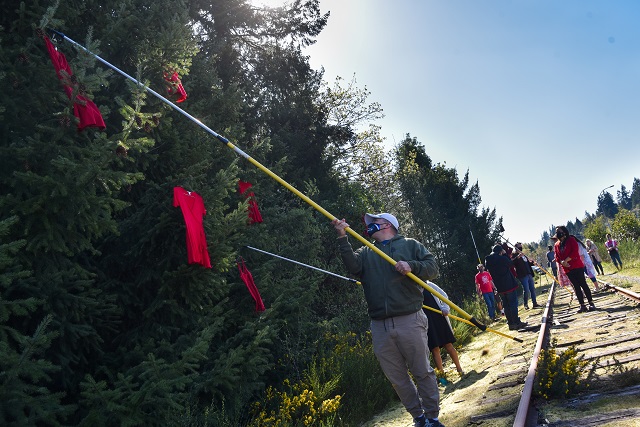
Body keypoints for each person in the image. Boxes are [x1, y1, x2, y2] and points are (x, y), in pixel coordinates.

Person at [332, 213, 445, 427]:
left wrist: (412, 266)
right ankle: (418, 418)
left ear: (387, 225)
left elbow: (433, 268)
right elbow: (353, 268)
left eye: (373, 223)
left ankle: (433, 417)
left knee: (422, 371)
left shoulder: (410, 244)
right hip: (379, 325)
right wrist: (341, 237)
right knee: (397, 378)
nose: (369, 227)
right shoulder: (366, 251)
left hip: (410, 319)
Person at [422, 282, 464, 384]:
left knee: (448, 345)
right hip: (426, 322)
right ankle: (442, 376)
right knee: (434, 349)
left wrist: (445, 308)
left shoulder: (428, 284)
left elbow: (443, 295)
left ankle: (460, 369)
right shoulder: (411, 289)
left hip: (438, 317)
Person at [553, 226, 596, 313]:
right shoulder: (557, 245)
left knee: (583, 284)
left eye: (559, 231)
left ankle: (591, 303)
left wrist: (566, 260)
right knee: (576, 287)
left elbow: (575, 252)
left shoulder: (571, 240)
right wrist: (562, 262)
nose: (558, 233)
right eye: (557, 231)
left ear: (564, 231)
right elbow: (557, 257)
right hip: (567, 268)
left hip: (577, 266)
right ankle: (582, 305)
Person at [485, 245, 527, 331]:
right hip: (508, 284)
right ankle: (516, 322)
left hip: (499, 286)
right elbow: (511, 264)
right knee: (513, 304)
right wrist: (505, 254)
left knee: (506, 305)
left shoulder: (488, 261)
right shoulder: (502, 258)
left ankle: (511, 324)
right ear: (500, 251)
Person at [511, 243, 541, 309]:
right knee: (526, 290)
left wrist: (533, 263)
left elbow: (528, 263)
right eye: (519, 247)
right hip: (522, 275)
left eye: (521, 246)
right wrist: (517, 257)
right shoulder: (514, 255)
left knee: (532, 289)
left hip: (529, 273)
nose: (520, 247)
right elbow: (512, 263)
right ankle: (526, 305)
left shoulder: (524, 255)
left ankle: (535, 303)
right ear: (516, 248)